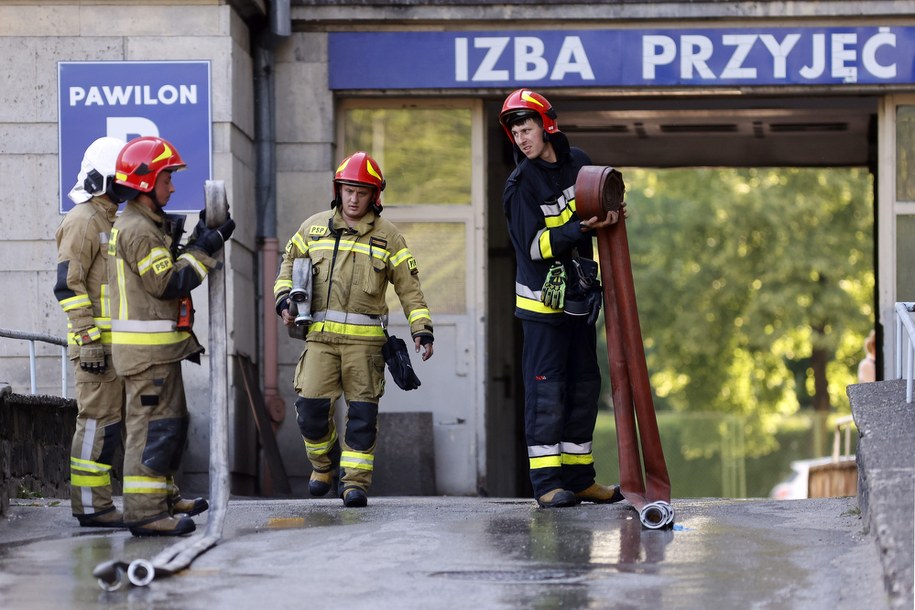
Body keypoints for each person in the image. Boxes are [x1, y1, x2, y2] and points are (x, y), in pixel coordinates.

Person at [273, 151, 434, 508]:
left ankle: (355, 483)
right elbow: (288, 267)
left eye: (361, 192)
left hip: (364, 348)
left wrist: (421, 329)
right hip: (320, 341)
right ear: (338, 190)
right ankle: (322, 466)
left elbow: (409, 288)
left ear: (374, 196)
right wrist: (284, 301)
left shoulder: (390, 238)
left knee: (362, 417)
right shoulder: (312, 228)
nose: (353, 198)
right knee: (310, 410)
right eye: (347, 190)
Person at [499, 88, 624, 508]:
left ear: (546, 125)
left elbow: (600, 200)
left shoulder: (580, 164)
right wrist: (580, 230)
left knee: (585, 388)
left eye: (527, 127)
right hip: (541, 309)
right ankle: (548, 485)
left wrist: (613, 210)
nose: (521, 137)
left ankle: (580, 478)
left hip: (579, 304)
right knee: (547, 394)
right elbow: (533, 247)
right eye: (515, 131)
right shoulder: (519, 185)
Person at [107, 136, 234, 536]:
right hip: (147, 359)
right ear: (146, 182)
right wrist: (206, 247)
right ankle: (145, 513)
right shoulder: (138, 230)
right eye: (167, 178)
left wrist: (196, 237)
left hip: (157, 355)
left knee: (169, 425)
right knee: (151, 431)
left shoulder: (144, 224)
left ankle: (161, 496)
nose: (172, 187)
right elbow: (168, 281)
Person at [54, 136, 130, 528]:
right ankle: (90, 506)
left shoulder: (111, 219)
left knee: (113, 428)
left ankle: (105, 503)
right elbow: (68, 285)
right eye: (121, 177)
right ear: (102, 179)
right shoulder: (83, 220)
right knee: (96, 424)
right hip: (96, 348)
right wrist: (88, 341)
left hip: (120, 348)